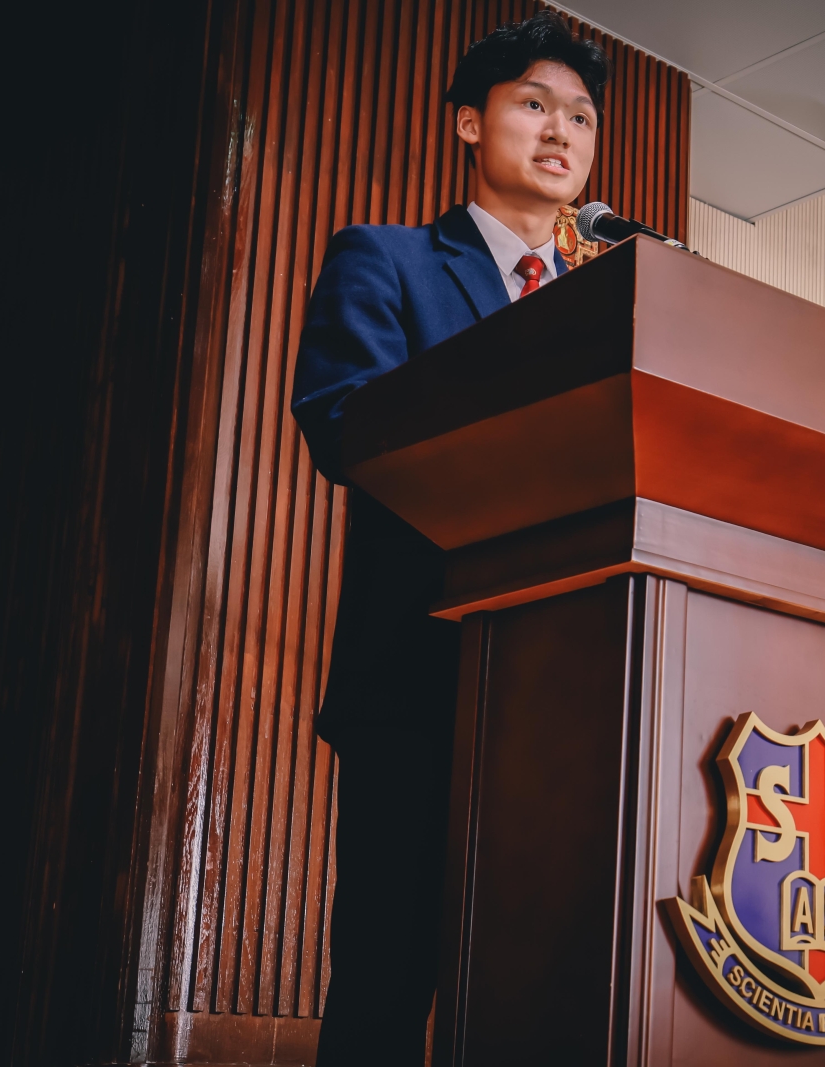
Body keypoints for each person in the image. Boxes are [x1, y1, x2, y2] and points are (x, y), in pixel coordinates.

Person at [290, 12, 608, 1065]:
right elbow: (344, 422)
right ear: (469, 122)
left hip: (574, 700)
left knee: (546, 992)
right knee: (385, 986)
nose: (560, 131)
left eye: (580, 117)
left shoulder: (611, 298)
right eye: (534, 104)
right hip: (421, 683)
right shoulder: (386, 258)